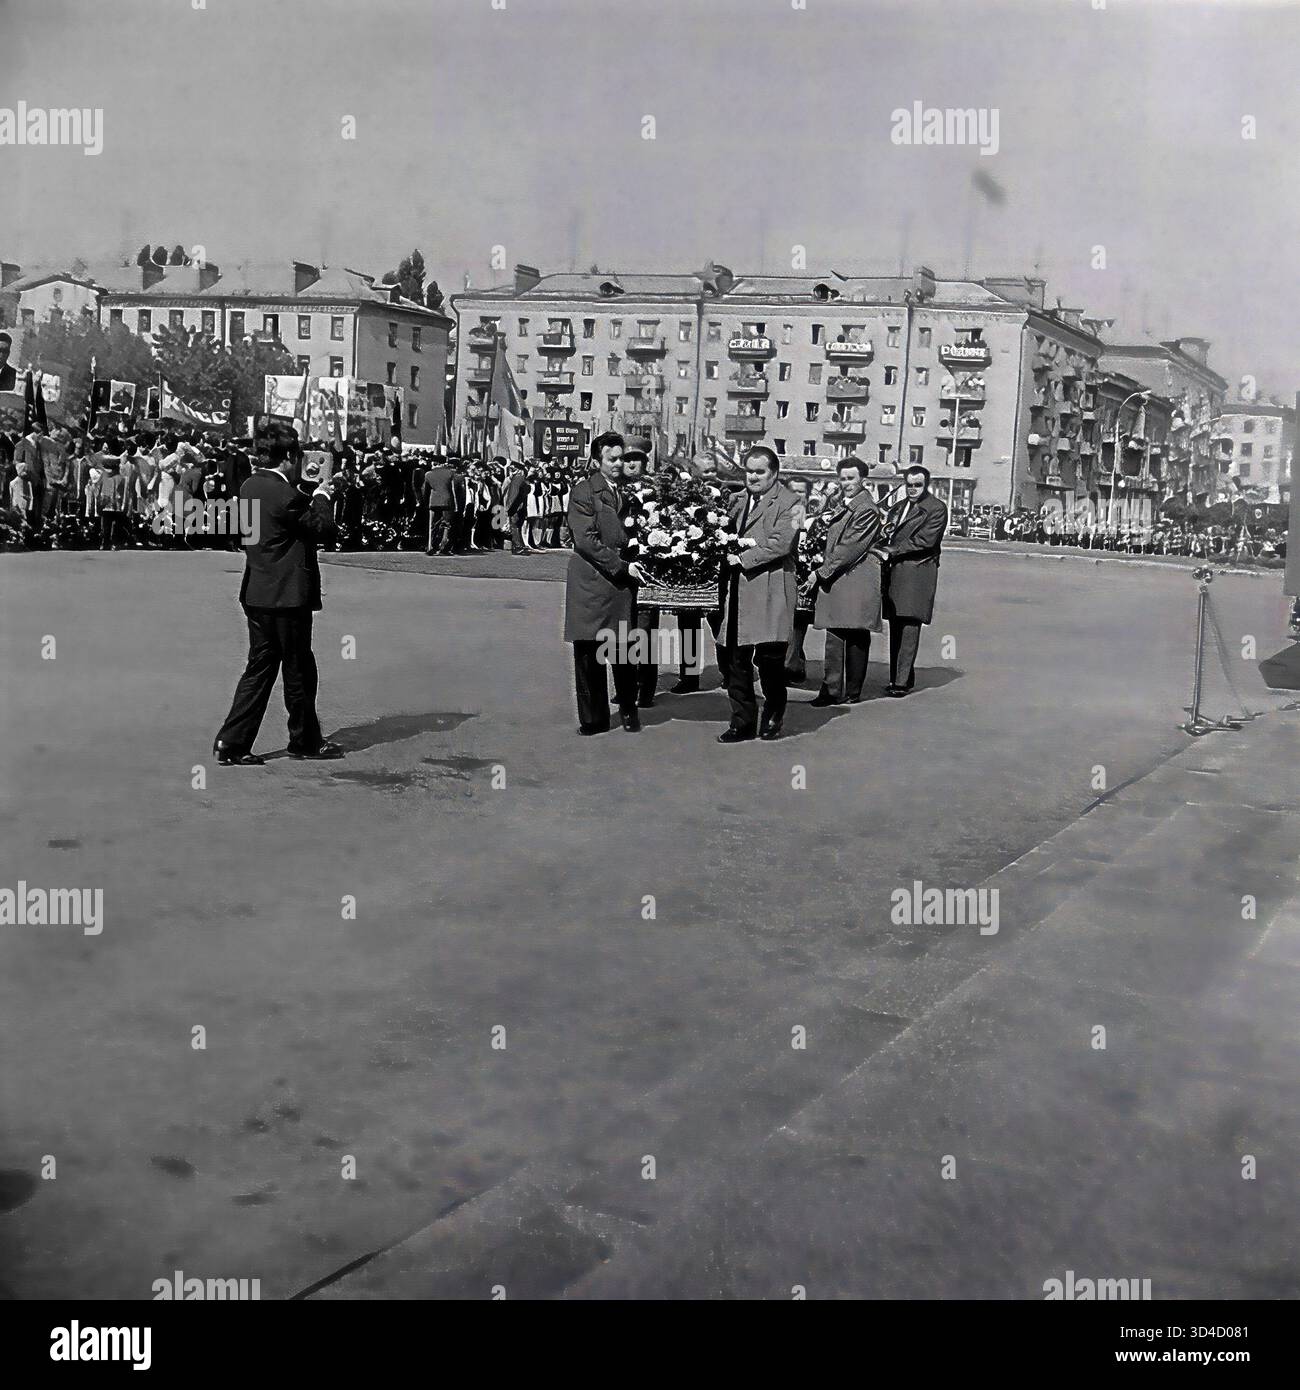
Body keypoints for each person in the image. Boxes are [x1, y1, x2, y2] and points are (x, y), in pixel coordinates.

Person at [212, 420, 343, 766]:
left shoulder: (251, 485)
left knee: (259, 667)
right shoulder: (286, 495)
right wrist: (323, 496)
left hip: (258, 589)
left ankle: (232, 741)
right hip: (286, 594)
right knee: (298, 669)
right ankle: (305, 741)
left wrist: (306, 493)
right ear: (288, 456)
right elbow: (323, 530)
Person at [564, 431, 647, 734]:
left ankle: (628, 709)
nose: (618, 464)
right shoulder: (584, 491)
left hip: (620, 585)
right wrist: (622, 566)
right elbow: (584, 540)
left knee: (624, 652)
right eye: (611, 459)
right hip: (592, 581)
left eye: (622, 458)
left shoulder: (630, 493)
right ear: (597, 460)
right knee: (589, 654)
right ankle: (593, 718)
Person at [717, 445, 799, 742]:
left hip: (770, 588)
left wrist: (742, 558)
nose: (752, 477)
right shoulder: (735, 500)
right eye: (749, 471)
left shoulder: (792, 503)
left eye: (759, 471)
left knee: (770, 662)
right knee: (735, 660)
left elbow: (781, 543)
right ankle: (742, 721)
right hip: (738, 591)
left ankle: (774, 712)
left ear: (774, 474)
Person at [807, 456, 883, 706]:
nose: (846, 483)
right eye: (842, 478)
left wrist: (821, 571)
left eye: (851, 478)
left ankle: (850, 691)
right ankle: (832, 689)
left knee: (856, 634)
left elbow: (850, 547)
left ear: (863, 480)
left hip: (855, 577)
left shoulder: (866, 509)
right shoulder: (843, 504)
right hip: (843, 577)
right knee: (836, 633)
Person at [878, 465, 948, 698]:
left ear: (926, 485)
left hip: (916, 573)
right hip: (896, 573)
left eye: (918, 485)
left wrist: (891, 550)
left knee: (909, 626)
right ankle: (901, 677)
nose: (913, 489)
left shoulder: (936, 508)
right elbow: (888, 532)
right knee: (896, 625)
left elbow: (925, 541)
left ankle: (900, 681)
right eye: (909, 484)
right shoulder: (898, 507)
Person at [503, 459, 530, 555]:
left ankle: (518, 546)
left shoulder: (517, 479)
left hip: (516, 506)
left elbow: (513, 495)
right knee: (517, 527)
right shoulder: (522, 480)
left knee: (515, 526)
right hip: (520, 506)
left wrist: (509, 508)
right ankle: (519, 545)